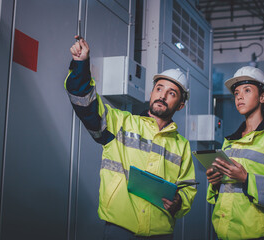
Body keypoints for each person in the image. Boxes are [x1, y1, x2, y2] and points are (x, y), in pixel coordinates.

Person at [65, 36, 197, 239]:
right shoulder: (121, 123)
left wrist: (179, 202)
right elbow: (85, 103)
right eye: (159, 88)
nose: (162, 95)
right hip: (119, 230)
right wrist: (81, 65)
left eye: (171, 93)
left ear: (180, 105)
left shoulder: (183, 146)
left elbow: (187, 189)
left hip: (160, 233)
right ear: (152, 91)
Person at [206, 66, 264, 240]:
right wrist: (215, 182)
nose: (239, 96)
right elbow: (225, 190)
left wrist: (246, 178)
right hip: (224, 232)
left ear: (262, 97)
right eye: (236, 93)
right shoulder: (230, 142)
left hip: (257, 235)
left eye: (247, 90)